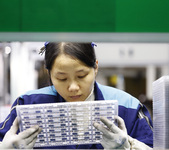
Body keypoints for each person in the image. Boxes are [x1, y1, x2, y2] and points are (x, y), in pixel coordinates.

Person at [0, 42, 153, 149]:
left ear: (96, 67)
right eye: (62, 78)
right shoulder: (27, 104)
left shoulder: (128, 107)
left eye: (81, 76)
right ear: (49, 73)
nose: (73, 87)